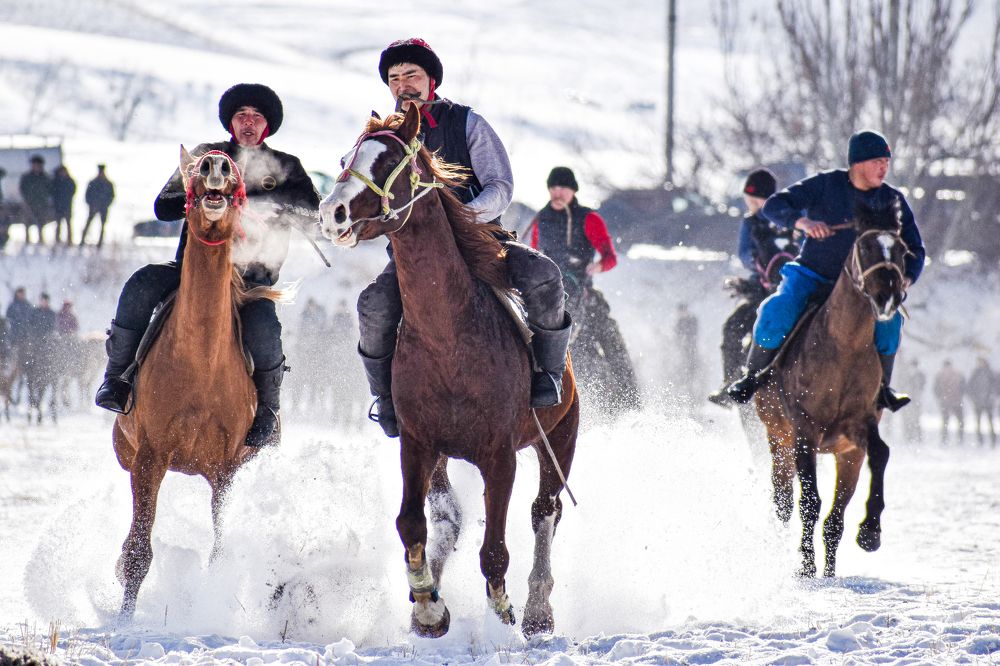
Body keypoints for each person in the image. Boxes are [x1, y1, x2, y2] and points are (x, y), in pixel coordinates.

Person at [358, 38, 571, 437]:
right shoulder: (384, 139)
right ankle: (385, 397)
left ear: (431, 81)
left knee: (543, 275)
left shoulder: (468, 123)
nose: (403, 85)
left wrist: (463, 216)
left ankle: (548, 373)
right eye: (394, 78)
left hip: (481, 242)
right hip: (413, 255)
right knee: (372, 306)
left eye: (412, 76)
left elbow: (500, 185)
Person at [94, 83, 320, 448]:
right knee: (139, 284)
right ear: (231, 122)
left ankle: (267, 410)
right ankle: (117, 378)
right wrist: (192, 186)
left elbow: (316, 216)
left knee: (264, 330)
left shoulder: (286, 167)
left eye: (256, 116)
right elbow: (163, 207)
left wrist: (279, 204)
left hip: (251, 282)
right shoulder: (205, 156)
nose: (248, 122)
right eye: (241, 115)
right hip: (192, 274)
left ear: (268, 124)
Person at [727, 130, 926, 412]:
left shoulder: (892, 200)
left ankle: (883, 389)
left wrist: (907, 276)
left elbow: (916, 248)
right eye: (877, 161)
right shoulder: (825, 185)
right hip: (812, 275)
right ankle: (751, 378)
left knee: (891, 324)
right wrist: (803, 223)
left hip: (865, 289)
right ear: (858, 163)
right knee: (776, 310)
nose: (884, 168)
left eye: (886, 161)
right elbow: (773, 206)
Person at [527, 166, 639, 409]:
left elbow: (610, 257)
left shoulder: (589, 218)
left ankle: (630, 400)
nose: (557, 193)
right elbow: (534, 253)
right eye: (553, 188)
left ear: (573, 191)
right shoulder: (540, 219)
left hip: (584, 293)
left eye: (562, 188)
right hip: (549, 293)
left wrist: (596, 268)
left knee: (613, 345)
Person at [708, 168, 798, 407]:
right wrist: (759, 263)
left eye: (754, 202)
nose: (752, 207)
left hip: (794, 287)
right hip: (760, 288)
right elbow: (744, 254)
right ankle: (730, 381)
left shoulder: (791, 218)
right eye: (749, 202)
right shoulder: (751, 222)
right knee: (733, 327)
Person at [18, 155, 53, 244]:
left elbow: (49, 189)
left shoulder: (45, 177)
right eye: (34, 165)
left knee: (41, 222)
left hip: (41, 203)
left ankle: (41, 239)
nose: (36, 167)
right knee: (27, 222)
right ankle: (27, 240)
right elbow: (22, 189)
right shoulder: (26, 177)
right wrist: (27, 199)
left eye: (38, 165)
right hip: (29, 203)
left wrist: (44, 199)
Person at [79, 164, 116, 248]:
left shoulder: (108, 183)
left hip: (103, 207)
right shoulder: (93, 182)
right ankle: (82, 242)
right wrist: (91, 204)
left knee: (102, 226)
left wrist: (106, 204)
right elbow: (87, 195)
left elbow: (112, 196)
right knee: (88, 224)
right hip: (93, 207)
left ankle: (99, 243)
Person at [933, 358, 965, 446]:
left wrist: (940, 397)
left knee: (945, 421)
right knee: (960, 421)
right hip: (957, 401)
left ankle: (944, 439)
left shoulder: (939, 375)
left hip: (945, 401)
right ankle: (960, 438)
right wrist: (960, 396)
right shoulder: (958, 374)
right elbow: (963, 387)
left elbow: (935, 388)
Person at [966, 356, 996, 446]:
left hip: (988, 402)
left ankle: (992, 439)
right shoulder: (975, 373)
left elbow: (995, 386)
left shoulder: (990, 373)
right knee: (978, 422)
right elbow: (969, 387)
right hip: (978, 402)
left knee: (990, 422)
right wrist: (974, 399)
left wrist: (992, 397)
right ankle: (980, 440)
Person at [51, 165, 77, 245]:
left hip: (67, 206)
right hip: (58, 206)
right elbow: (52, 192)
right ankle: (57, 240)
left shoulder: (69, 181)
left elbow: (73, 191)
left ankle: (69, 241)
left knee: (68, 224)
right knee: (58, 225)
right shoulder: (56, 181)